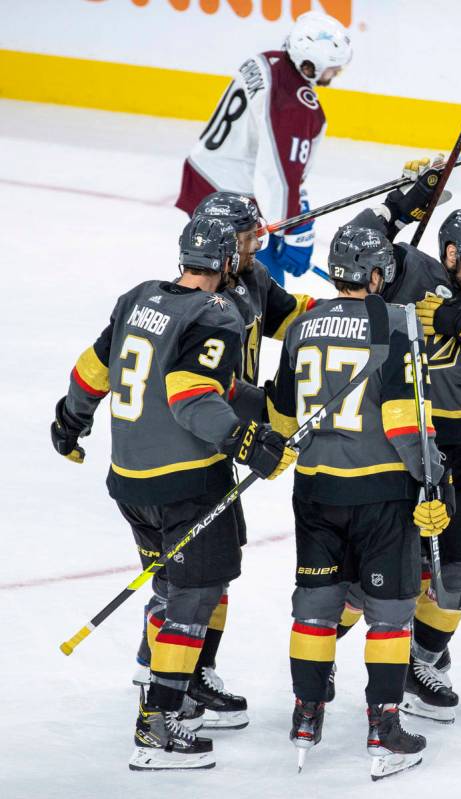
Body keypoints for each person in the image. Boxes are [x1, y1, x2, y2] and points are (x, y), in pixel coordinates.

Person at [50, 215, 296, 770]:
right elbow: (191, 397)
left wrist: (70, 420)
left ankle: (178, 691)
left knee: (173, 583)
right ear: (227, 263)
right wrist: (244, 440)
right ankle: (157, 725)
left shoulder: (140, 297)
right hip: (185, 480)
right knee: (195, 593)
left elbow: (94, 369)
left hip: (130, 480)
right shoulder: (217, 313)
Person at [332, 160, 461, 723]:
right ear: (450, 253)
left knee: (459, 573)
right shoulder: (410, 272)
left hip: (451, 450)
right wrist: (408, 199)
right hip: (390, 445)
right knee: (360, 577)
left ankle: (418, 663)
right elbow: (356, 242)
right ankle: (320, 652)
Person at [267, 225, 452, 780]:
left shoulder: (301, 324)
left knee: (317, 606)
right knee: (390, 617)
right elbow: (404, 420)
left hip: (316, 488)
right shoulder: (395, 324)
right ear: (375, 276)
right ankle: (384, 728)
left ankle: (305, 717)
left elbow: (280, 413)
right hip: (381, 493)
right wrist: (434, 479)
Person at [131, 192, 316, 727]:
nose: (259, 241)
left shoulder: (251, 279)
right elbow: (210, 388)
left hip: (220, 436)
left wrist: (360, 309)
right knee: (185, 576)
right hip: (196, 439)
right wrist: (260, 421)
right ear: (224, 244)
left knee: (204, 572)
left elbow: (295, 316)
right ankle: (168, 677)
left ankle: (186, 669)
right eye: (250, 236)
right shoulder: (197, 303)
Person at [176, 11, 352, 286]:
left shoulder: (267, 60)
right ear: (309, 65)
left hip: (205, 171)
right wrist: (294, 231)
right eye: (333, 67)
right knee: (259, 286)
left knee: (214, 268)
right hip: (232, 196)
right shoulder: (296, 107)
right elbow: (280, 174)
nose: (336, 73)